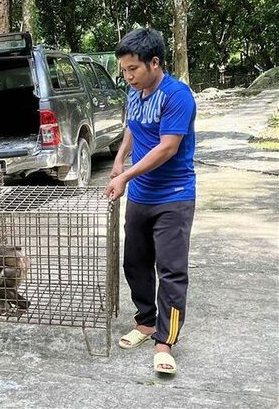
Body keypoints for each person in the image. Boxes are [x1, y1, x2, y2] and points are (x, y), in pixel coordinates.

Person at [105, 28, 196, 374]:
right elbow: (133, 126)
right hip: (141, 196)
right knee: (135, 262)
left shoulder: (177, 96)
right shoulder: (136, 93)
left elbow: (167, 146)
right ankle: (145, 321)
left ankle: (165, 340)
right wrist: (119, 159)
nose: (127, 77)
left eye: (133, 69)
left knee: (171, 271)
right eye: (124, 70)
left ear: (154, 63)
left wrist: (126, 176)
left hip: (174, 196)